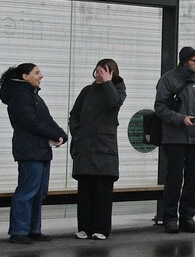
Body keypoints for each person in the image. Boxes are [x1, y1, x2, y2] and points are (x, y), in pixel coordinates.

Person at [1, 63, 68, 245]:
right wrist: (53, 134)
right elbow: (31, 122)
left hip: (41, 150)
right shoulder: (20, 97)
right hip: (29, 151)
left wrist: (61, 134)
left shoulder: (34, 97)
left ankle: (33, 229)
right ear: (25, 76)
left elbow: (47, 120)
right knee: (27, 191)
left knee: (39, 192)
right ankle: (18, 231)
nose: (41, 76)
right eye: (37, 73)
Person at [155, 47, 195, 234]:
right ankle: (170, 217)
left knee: (192, 177)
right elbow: (159, 107)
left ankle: (187, 217)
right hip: (175, 138)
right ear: (184, 62)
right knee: (174, 178)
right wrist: (181, 119)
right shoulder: (168, 79)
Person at [68, 58, 127, 240]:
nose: (99, 75)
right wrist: (77, 132)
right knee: (85, 188)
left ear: (112, 73)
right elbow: (74, 115)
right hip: (85, 145)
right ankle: (84, 227)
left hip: (104, 147)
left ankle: (101, 228)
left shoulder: (117, 89)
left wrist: (109, 83)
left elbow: (114, 103)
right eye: (97, 71)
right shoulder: (87, 91)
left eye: (103, 72)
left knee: (103, 189)